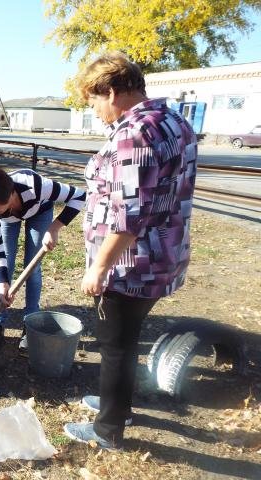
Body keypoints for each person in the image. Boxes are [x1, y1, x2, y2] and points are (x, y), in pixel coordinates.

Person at [59, 52, 197, 450]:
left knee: (115, 345)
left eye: (93, 100)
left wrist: (99, 268)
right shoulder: (175, 121)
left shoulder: (134, 133)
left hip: (131, 264)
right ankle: (116, 404)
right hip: (162, 255)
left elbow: (128, 217)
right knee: (126, 339)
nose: (93, 109)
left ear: (114, 91)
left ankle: (108, 430)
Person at [0, 167, 86, 354]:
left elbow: (80, 196)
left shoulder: (36, 186)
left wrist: (55, 227)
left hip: (39, 211)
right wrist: (2, 283)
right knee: (5, 267)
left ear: (10, 195)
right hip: (9, 219)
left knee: (32, 268)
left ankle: (30, 322)